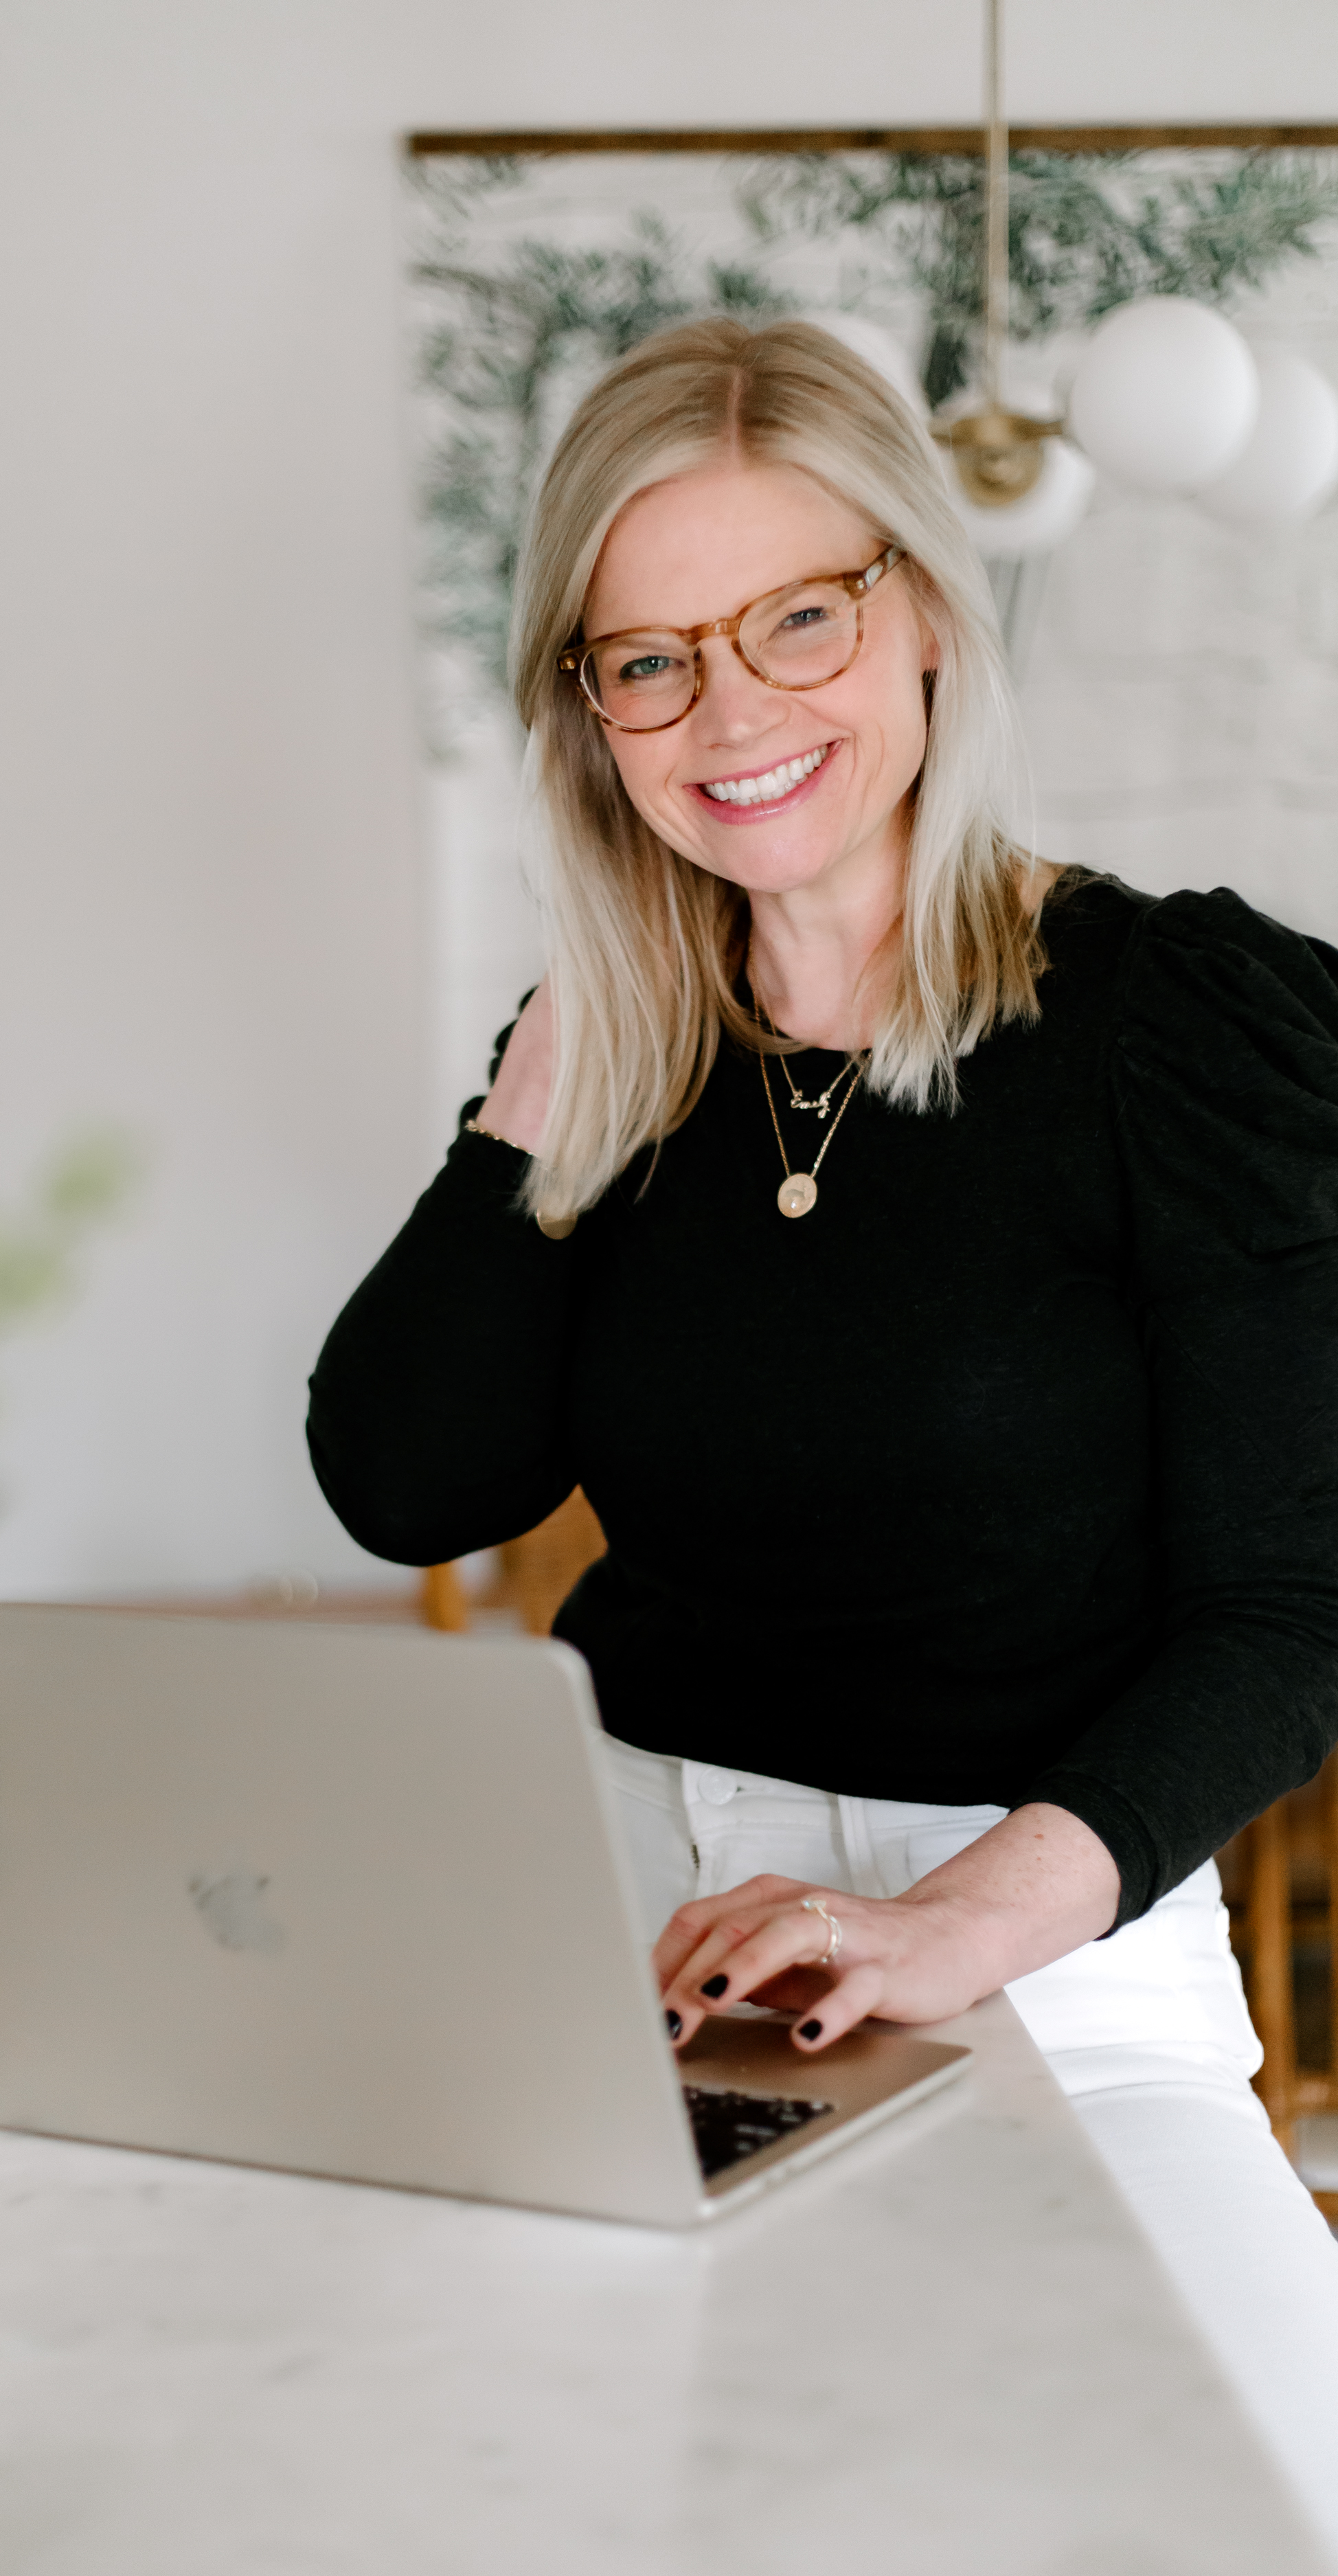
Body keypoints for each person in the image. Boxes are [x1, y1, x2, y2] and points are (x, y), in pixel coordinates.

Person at [306, 317, 1338, 2535]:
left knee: (1268, 2502)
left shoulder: (1172, 1022)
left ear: (925, 614)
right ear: (582, 711)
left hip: (1057, 1966)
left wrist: (951, 1925)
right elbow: (412, 1485)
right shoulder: (620, 1048)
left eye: (797, 615)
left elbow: (1291, 1608)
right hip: (628, 1953)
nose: (731, 712)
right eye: (644, 658)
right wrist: (525, 1134)